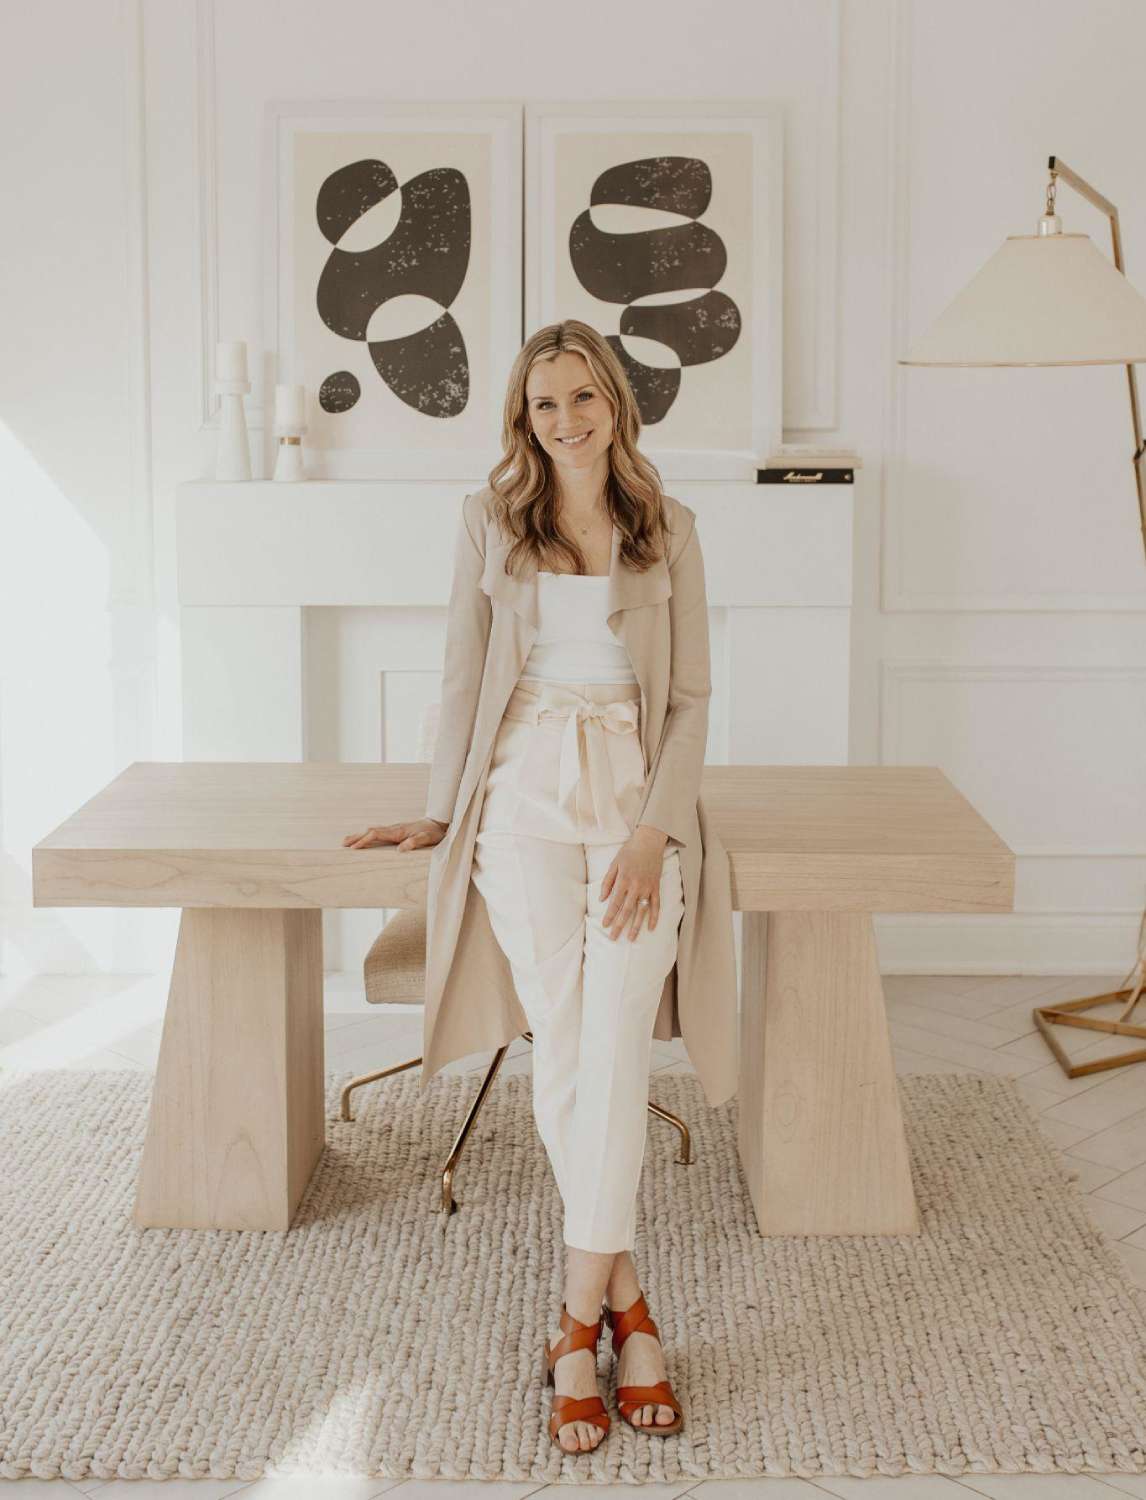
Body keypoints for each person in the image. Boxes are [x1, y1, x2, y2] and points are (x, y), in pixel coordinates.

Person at [344, 319, 716, 1454]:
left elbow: (693, 699)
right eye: (545, 403)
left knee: (608, 1038)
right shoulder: (488, 521)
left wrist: (655, 832)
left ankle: (574, 1321)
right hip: (520, 803)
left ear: (617, 404)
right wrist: (443, 805)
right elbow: (465, 676)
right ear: (524, 416)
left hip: (636, 809)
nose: (566, 420)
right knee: (572, 1042)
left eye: (584, 398)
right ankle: (629, 1311)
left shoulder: (671, 529)